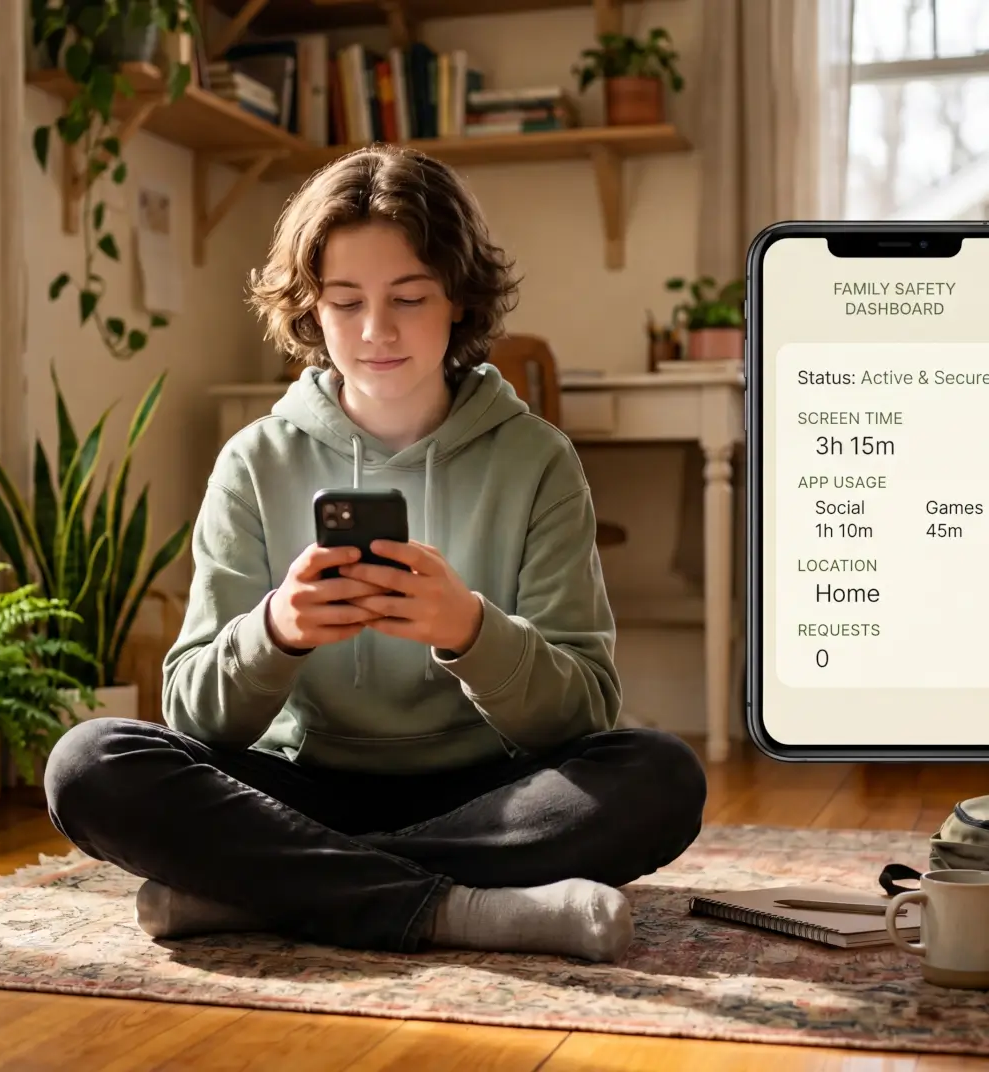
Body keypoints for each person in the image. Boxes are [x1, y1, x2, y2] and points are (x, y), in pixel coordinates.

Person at [44, 144, 706, 963]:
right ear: (311, 310)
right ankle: (461, 909)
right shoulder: (255, 460)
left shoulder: (537, 460)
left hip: (487, 793)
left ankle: (259, 893)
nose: (376, 331)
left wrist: (472, 631)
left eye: (408, 297)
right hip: (294, 790)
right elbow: (192, 714)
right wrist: (276, 632)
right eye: (346, 301)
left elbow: (586, 712)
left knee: (661, 776)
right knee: (87, 764)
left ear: (459, 299)